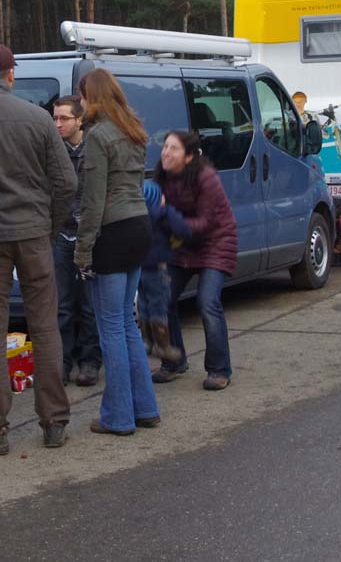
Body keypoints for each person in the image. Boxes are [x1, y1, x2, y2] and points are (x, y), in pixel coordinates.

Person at [0, 44, 75, 454]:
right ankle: (54, 422)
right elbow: (66, 184)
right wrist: (49, 226)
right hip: (34, 233)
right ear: (11, 75)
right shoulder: (40, 119)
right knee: (44, 326)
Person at [72, 68, 159, 435]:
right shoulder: (134, 132)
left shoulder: (97, 137)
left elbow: (93, 201)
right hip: (139, 226)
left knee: (110, 327)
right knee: (126, 322)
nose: (79, 102)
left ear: (91, 97)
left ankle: (118, 417)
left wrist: (81, 251)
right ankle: (145, 409)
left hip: (111, 231)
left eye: (81, 96)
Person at [153, 130, 239, 391]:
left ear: (189, 156)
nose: (166, 152)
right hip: (184, 246)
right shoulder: (162, 176)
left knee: (207, 302)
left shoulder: (206, 177)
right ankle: (173, 362)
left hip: (216, 242)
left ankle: (219, 369)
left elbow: (205, 222)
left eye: (174, 148)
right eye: (165, 146)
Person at [52, 94, 100, 387]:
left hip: (88, 236)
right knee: (62, 304)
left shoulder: (93, 148)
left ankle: (90, 361)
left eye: (64, 118)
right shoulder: (53, 150)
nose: (58, 124)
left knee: (89, 304)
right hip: (60, 234)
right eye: (54, 118)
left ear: (79, 119)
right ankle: (62, 362)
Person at [137, 178, 190, 365]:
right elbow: (184, 231)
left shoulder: (138, 218)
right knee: (159, 307)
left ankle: (147, 341)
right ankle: (163, 345)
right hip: (158, 270)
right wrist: (168, 211)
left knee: (143, 307)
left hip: (139, 271)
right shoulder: (163, 214)